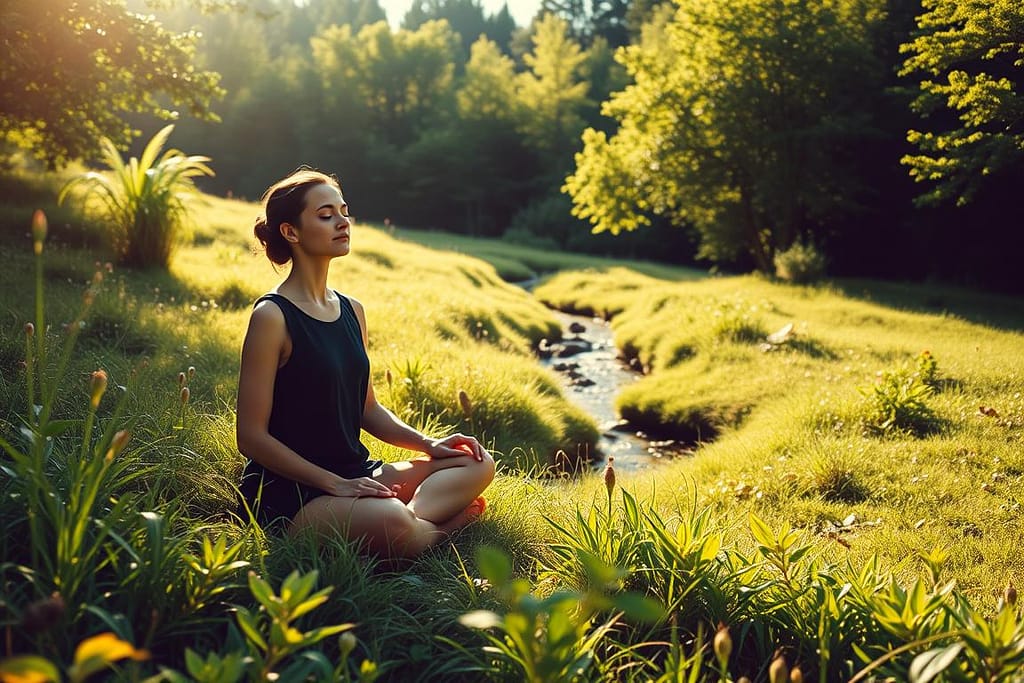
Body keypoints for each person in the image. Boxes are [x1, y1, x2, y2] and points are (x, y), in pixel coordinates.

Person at [236, 168, 494, 558]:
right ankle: (437, 529)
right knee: (391, 520)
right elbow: (250, 438)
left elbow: (367, 409)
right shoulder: (272, 317)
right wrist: (334, 484)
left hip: (357, 474)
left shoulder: (352, 310)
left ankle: (411, 528)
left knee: (476, 463)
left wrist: (431, 445)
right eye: (326, 215)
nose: (343, 222)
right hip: (294, 495)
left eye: (344, 210)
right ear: (291, 232)